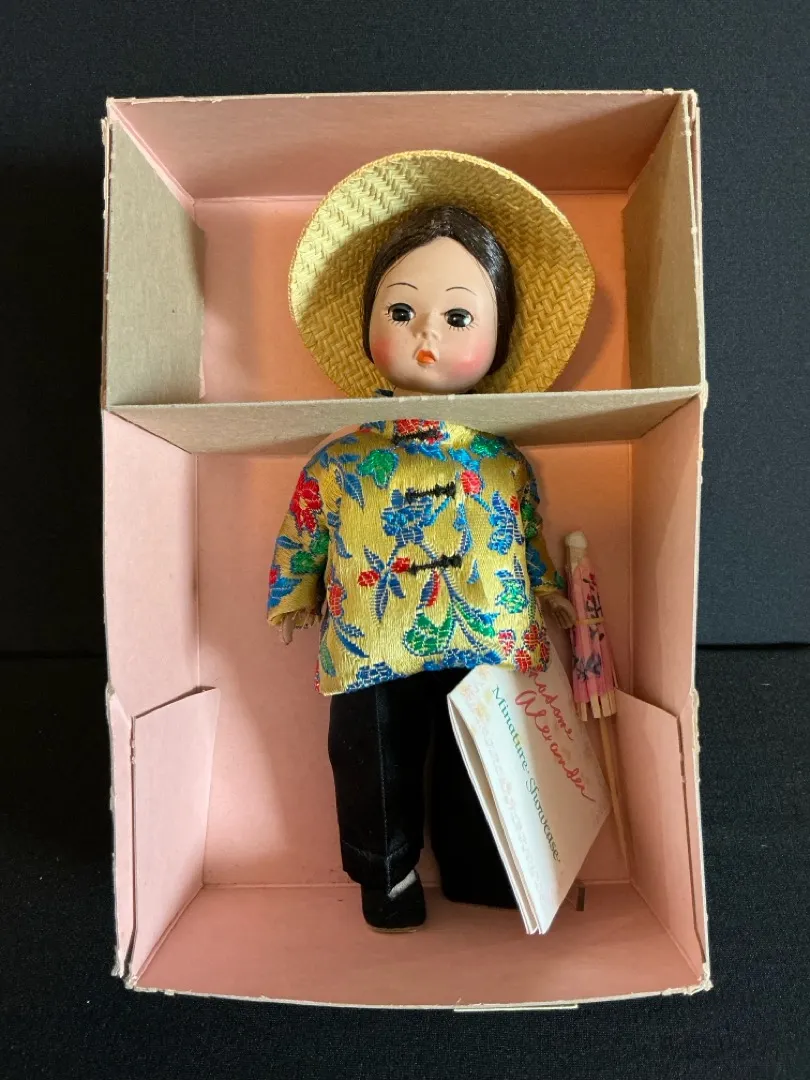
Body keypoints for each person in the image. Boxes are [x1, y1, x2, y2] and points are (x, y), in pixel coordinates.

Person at [267, 151, 594, 932]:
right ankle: (385, 874)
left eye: (458, 318)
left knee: (483, 756)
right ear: (367, 326)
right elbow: (307, 524)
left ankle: (485, 868)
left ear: (497, 337)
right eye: (401, 311)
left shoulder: (502, 462)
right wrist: (293, 591)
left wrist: (546, 588)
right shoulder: (341, 460)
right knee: (371, 758)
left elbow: (521, 534)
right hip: (370, 633)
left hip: (482, 628)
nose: (425, 336)